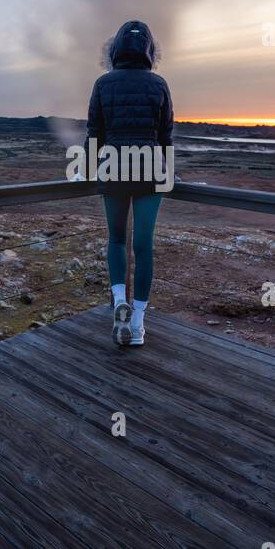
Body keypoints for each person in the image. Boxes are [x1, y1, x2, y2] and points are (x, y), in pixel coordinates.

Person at [85, 20, 174, 346]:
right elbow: (165, 136)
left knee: (117, 240)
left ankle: (119, 298)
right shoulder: (159, 84)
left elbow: (95, 132)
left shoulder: (103, 83)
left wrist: (86, 167)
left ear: (115, 50)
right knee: (143, 246)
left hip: (113, 169)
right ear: (149, 51)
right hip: (150, 171)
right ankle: (136, 324)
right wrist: (170, 170)